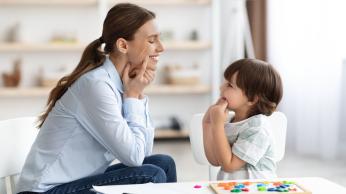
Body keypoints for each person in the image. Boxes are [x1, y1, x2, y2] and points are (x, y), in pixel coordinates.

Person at [16, 3, 177, 194]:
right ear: (123, 45)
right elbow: (134, 158)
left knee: (164, 164)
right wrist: (133, 97)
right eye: (152, 40)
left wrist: (138, 95)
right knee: (151, 175)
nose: (162, 47)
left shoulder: (119, 84)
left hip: (75, 184)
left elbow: (143, 154)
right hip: (45, 191)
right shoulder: (97, 86)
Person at [202, 58, 283, 180]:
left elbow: (229, 165)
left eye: (229, 85)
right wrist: (207, 123)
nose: (221, 87)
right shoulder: (231, 121)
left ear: (252, 99)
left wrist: (218, 125)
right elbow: (215, 160)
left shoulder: (257, 128)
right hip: (231, 189)